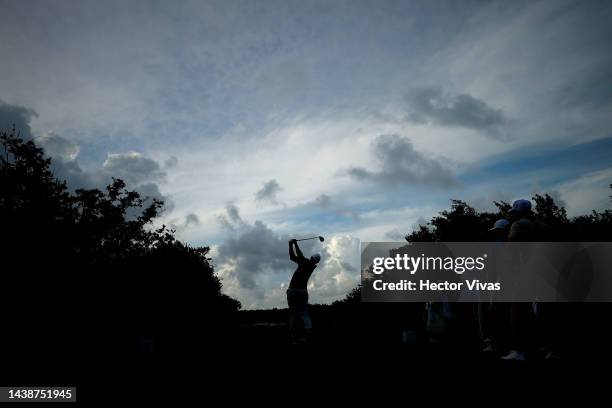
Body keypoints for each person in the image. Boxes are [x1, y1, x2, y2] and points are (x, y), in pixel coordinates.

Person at [501, 199, 557, 361]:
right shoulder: (545, 227)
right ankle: (551, 349)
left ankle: (520, 350)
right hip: (549, 272)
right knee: (547, 311)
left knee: (517, 309)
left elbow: (510, 252)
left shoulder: (518, 225)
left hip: (528, 272)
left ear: (517, 212)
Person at [479, 219, 510, 353]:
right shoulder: (509, 245)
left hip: (492, 284)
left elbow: (490, 269)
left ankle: (493, 342)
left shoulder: (493, 247)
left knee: (491, 314)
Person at [287, 239, 321, 344]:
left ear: (311, 258)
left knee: (293, 314)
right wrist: (291, 244)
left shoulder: (305, 262)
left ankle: (295, 337)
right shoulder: (310, 265)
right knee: (303, 313)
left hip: (293, 291)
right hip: (302, 292)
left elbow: (298, 255)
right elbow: (293, 256)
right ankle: (308, 332)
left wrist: (293, 243)